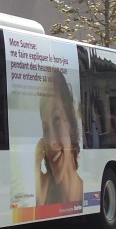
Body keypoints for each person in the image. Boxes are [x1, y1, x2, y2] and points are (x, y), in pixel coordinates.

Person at [34, 69, 84, 208]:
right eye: (45, 129)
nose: (50, 142)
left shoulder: (86, 193)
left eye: (56, 120)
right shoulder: (45, 197)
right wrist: (40, 201)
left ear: (71, 124)